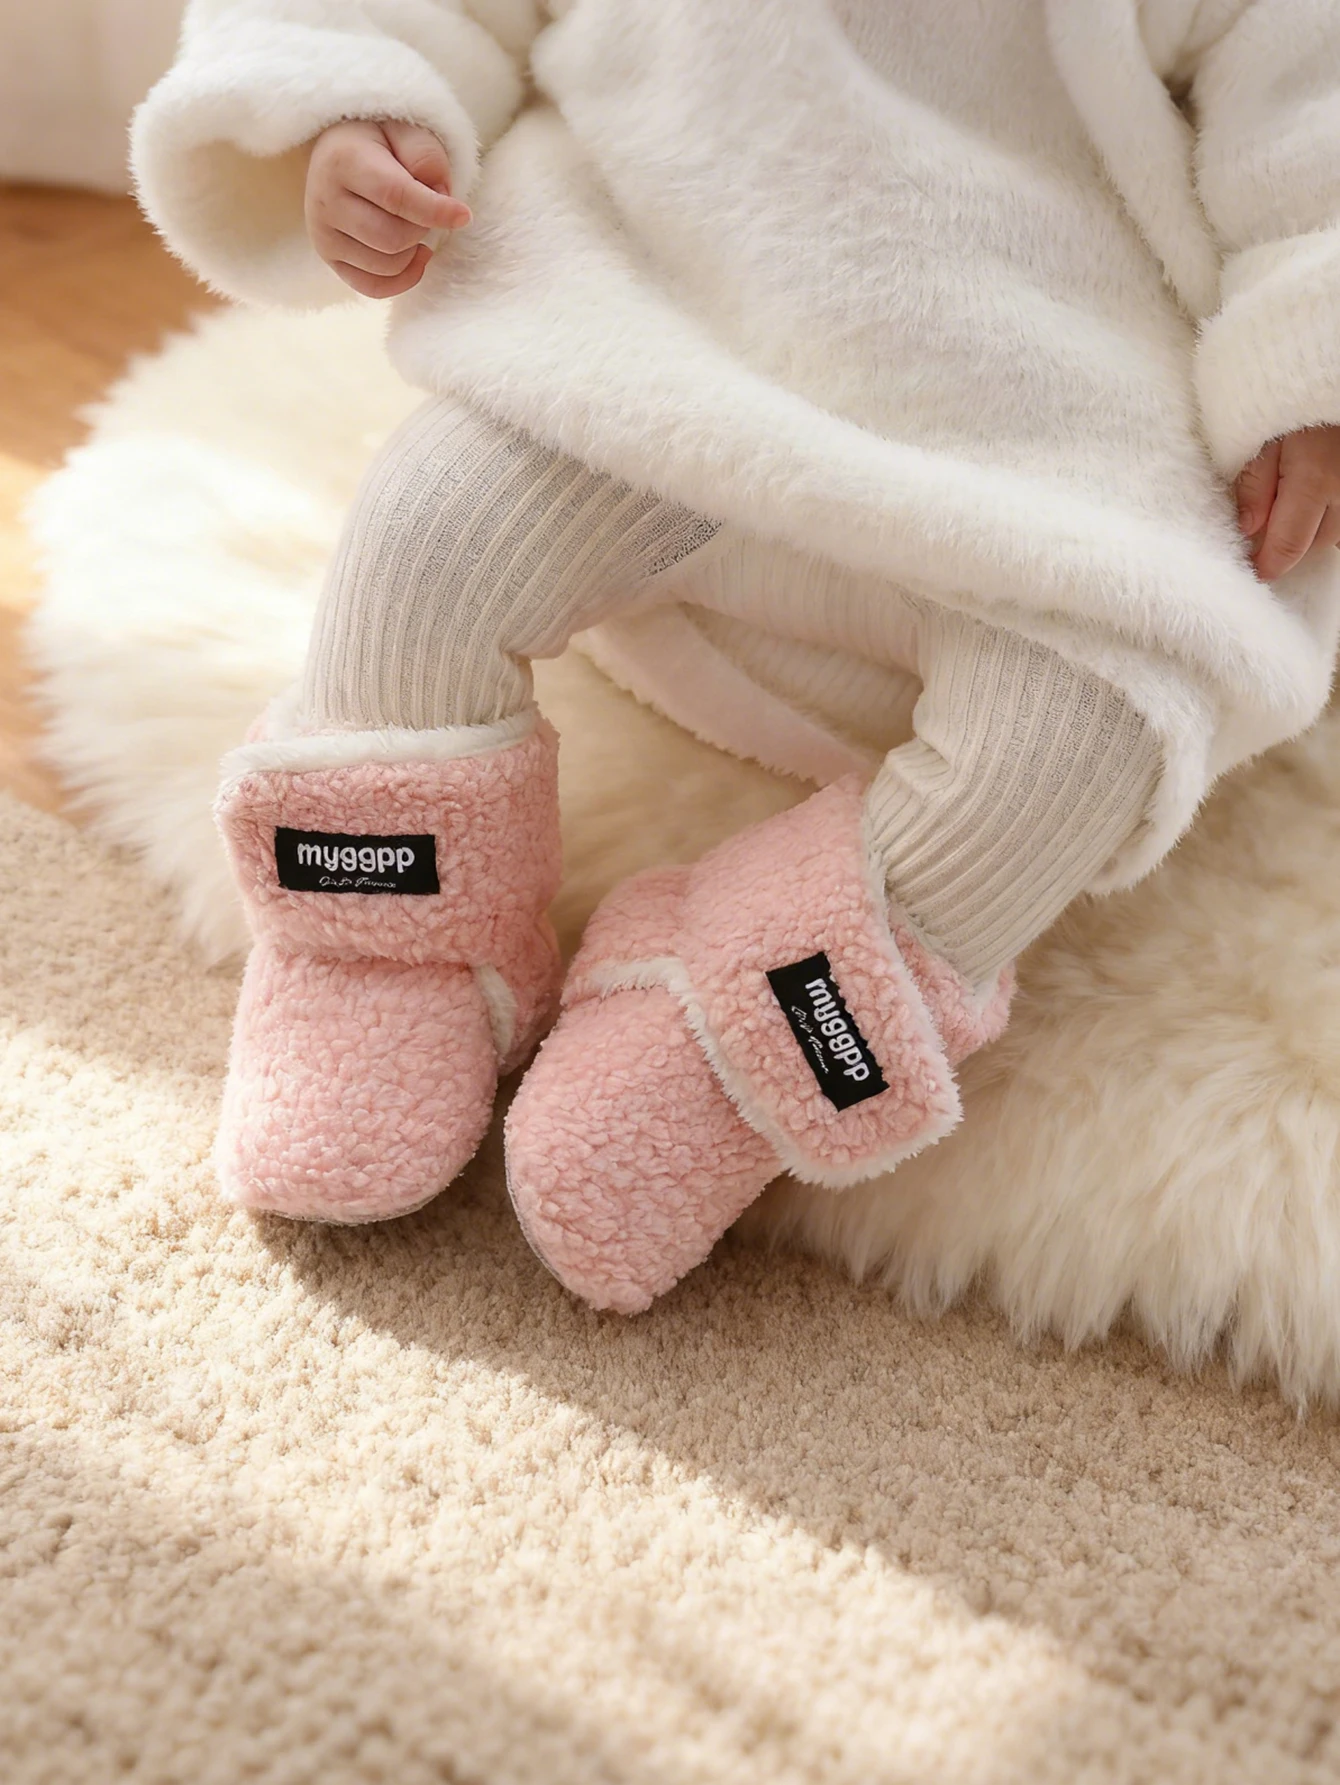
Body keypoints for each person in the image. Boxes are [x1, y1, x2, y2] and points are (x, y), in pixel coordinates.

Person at [132, 0, 1340, 1313]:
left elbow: (1309, 79)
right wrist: (353, 112)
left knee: (1091, 737)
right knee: (430, 536)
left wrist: (1311, 357)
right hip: (661, 321)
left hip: (1041, 405)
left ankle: (740, 1037)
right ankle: (385, 941)